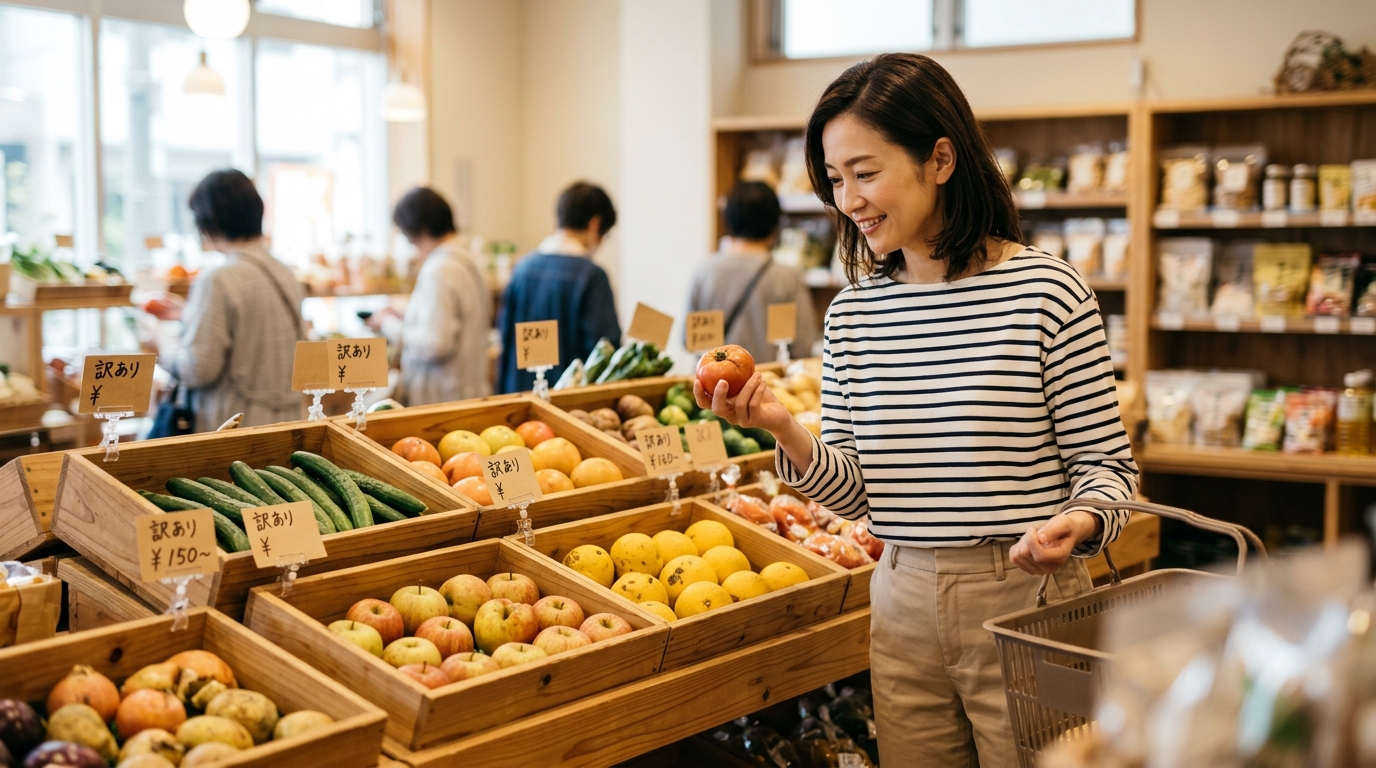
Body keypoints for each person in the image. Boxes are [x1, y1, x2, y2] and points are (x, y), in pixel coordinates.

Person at [695, 54, 1139, 768]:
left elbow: (1107, 467)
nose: (849, 201)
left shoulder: (1048, 293)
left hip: (1027, 598)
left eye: (865, 174)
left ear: (940, 159)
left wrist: (1082, 520)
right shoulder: (853, 316)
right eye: (835, 180)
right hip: (900, 596)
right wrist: (781, 424)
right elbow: (857, 492)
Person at [167, 169, 305, 430]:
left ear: (210, 221)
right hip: (287, 421)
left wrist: (163, 348)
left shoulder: (218, 279)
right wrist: (187, 314)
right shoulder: (284, 271)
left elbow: (200, 368)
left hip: (233, 426)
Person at [497, 181, 621, 393]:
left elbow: (506, 340)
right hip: (570, 406)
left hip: (520, 399)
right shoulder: (591, 276)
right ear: (594, 225)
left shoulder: (522, 269)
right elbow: (604, 351)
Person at [685, 181, 818, 361]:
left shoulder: (704, 272)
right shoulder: (786, 277)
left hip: (711, 385)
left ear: (728, 219)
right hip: (766, 384)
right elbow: (803, 346)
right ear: (775, 223)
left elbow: (688, 341)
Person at [383, 187, 491, 405]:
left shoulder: (439, 269)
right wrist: (406, 317)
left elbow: (435, 344)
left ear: (419, 231)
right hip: (471, 388)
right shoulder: (470, 261)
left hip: (443, 396)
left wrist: (390, 325)